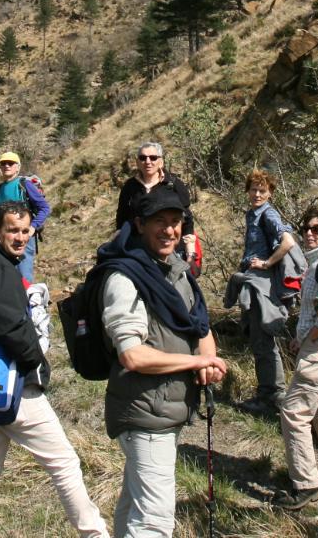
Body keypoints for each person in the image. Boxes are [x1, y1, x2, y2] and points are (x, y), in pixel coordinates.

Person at [0, 202, 108, 538]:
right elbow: (11, 327)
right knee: (64, 462)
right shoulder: (0, 268)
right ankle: (94, 533)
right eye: (12, 230)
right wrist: (35, 362)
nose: (21, 237)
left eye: (26, 230)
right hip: (15, 386)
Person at [98, 186, 228, 537]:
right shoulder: (125, 278)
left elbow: (199, 323)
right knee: (154, 522)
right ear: (139, 224)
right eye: (160, 221)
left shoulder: (175, 270)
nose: (170, 230)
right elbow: (131, 354)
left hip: (165, 409)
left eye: (176, 222)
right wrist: (191, 364)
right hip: (145, 413)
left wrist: (208, 359)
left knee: (133, 508)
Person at [274, 206, 318, 508]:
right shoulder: (317, 262)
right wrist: (299, 338)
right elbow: (314, 311)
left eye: (317, 229)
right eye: (306, 228)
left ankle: (305, 484)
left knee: (293, 412)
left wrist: (310, 339)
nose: (309, 233)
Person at [225, 169, 299, 414]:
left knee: (263, 339)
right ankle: (269, 394)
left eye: (262, 190)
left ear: (270, 193)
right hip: (254, 281)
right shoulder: (253, 214)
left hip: (262, 284)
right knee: (258, 337)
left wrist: (267, 263)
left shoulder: (268, 214)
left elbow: (288, 242)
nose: (257, 194)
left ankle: (271, 397)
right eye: (253, 189)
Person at [114, 141, 197, 268]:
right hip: (137, 252)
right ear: (137, 162)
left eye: (153, 158)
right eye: (142, 158)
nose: (148, 162)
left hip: (171, 251)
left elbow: (187, 219)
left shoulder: (174, 184)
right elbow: (122, 220)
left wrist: (191, 255)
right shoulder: (129, 187)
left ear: (161, 162)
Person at [0, 151, 49, 282]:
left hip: (21, 238)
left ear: (18, 167)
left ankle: (27, 302)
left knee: (23, 277)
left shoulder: (24, 185)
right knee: (4, 277)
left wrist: (33, 227)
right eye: (3, 163)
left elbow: (44, 208)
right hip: (1, 240)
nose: (6, 166)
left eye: (10, 163)